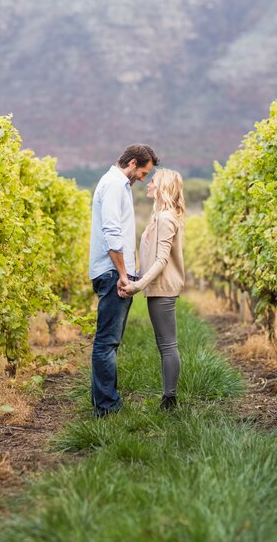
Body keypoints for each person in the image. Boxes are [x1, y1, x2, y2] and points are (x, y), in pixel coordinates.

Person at [89, 144, 159, 417]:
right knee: (107, 342)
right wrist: (121, 274)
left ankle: (105, 403)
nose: (143, 178)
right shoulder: (115, 185)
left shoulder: (117, 185)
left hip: (111, 271)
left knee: (109, 341)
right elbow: (111, 232)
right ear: (131, 163)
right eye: (143, 171)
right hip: (111, 273)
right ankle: (107, 408)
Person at [119, 168, 185, 409]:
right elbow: (149, 257)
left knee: (167, 344)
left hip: (163, 288)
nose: (148, 185)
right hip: (156, 288)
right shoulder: (160, 216)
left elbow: (161, 260)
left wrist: (137, 285)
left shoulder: (166, 218)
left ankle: (170, 400)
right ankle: (169, 397)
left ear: (163, 187)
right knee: (164, 343)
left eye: (153, 182)